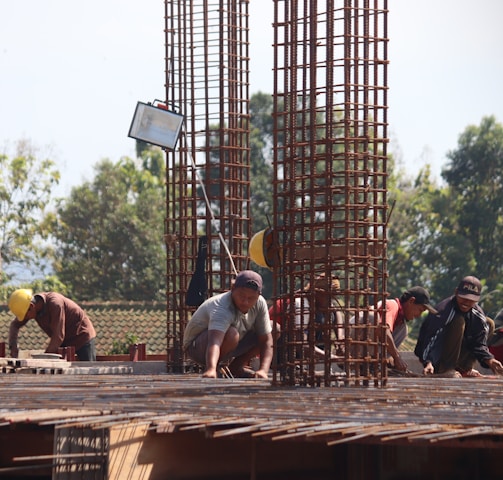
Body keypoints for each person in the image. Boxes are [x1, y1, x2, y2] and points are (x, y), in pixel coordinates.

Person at [183, 270, 274, 379]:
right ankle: (214, 368)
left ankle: (235, 367)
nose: (245, 302)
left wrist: (263, 370)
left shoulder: (260, 303)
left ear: (258, 295)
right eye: (241, 295)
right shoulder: (222, 306)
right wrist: (211, 369)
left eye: (251, 298)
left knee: (273, 329)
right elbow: (215, 341)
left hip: (230, 343)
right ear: (233, 288)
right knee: (231, 334)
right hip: (198, 347)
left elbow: (266, 341)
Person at [414, 276, 503, 377]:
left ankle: (465, 368)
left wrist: (490, 359)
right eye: (463, 298)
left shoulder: (477, 315)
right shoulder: (443, 312)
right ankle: (446, 369)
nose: (466, 302)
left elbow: (479, 344)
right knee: (458, 321)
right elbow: (430, 340)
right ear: (456, 292)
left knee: (488, 323)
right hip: (436, 358)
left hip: (458, 357)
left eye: (471, 300)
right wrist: (429, 362)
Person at [8, 289, 97, 361]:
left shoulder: (55, 304)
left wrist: (43, 359)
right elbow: (14, 325)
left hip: (82, 337)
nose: (26, 318)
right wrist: (13, 345)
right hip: (64, 343)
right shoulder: (32, 308)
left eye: (25, 315)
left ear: (31, 306)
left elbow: (58, 337)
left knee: (88, 371)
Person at [268, 273, 342, 360]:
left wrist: (340, 339)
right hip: (279, 349)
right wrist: (330, 357)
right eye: (329, 297)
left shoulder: (322, 302)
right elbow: (299, 342)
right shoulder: (301, 304)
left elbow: (336, 311)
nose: (330, 301)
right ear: (318, 293)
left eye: (333, 297)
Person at [377, 286, 438, 372]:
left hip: (367, 356)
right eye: (420, 310)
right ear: (411, 301)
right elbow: (382, 330)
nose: (418, 315)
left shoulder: (401, 328)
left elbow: (386, 352)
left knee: (403, 330)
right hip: (355, 343)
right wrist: (397, 357)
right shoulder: (392, 305)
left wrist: (392, 361)